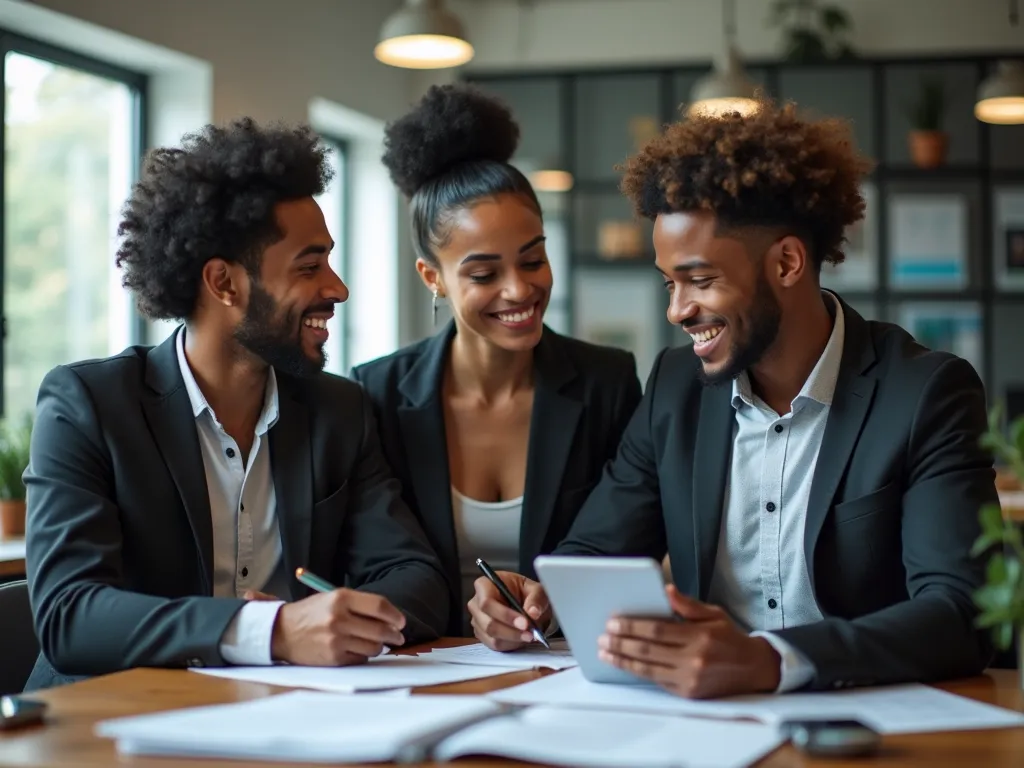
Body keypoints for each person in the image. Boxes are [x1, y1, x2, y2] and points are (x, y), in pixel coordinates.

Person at [468, 97, 998, 697]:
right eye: (670, 283)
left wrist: (771, 660)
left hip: (863, 714)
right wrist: (540, 600)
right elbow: (597, 551)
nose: (677, 310)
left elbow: (960, 612)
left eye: (700, 280)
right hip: (701, 723)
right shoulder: (675, 386)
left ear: (788, 262)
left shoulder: (925, 392)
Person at [23, 118, 449, 691]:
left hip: (279, 715)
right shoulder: (88, 406)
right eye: (309, 265)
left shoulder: (337, 411)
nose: (337, 288)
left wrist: (338, 622)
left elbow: (414, 576)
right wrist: (268, 629)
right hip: (105, 720)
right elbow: (70, 617)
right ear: (224, 282)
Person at [350, 84, 642, 636]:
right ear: (432, 277)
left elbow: (625, 542)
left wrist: (551, 604)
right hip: (421, 669)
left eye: (533, 260)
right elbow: (374, 561)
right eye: (484, 274)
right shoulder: (377, 394)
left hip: (561, 670)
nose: (519, 291)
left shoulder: (607, 382)